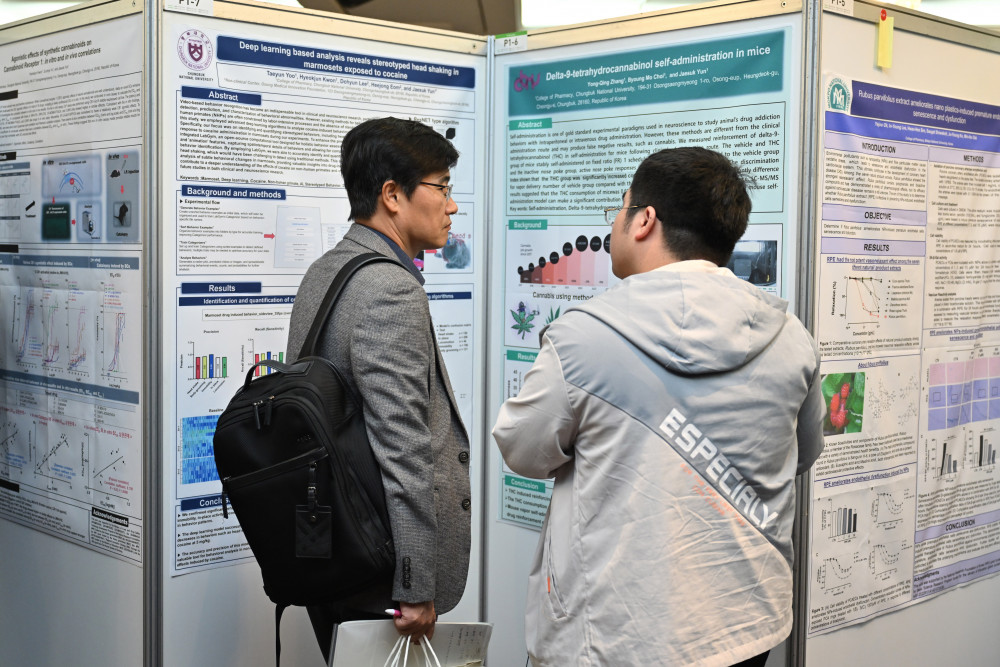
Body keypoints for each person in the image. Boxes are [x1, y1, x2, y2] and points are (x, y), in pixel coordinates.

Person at [493, 147, 825, 667]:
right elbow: (802, 454)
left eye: (620, 209)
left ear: (644, 220)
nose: (615, 223)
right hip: (744, 627)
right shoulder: (789, 336)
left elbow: (523, 451)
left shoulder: (582, 339)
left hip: (617, 636)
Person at [286, 117, 471, 661]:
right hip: (381, 567)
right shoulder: (390, 287)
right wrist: (415, 584)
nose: (451, 206)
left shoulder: (325, 270)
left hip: (334, 544)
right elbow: (403, 445)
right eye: (441, 187)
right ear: (392, 195)